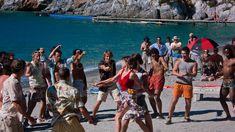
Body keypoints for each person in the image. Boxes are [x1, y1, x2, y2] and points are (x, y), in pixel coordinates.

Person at [94, 56, 149, 132]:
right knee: (137, 120)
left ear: (126, 63)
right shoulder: (122, 71)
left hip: (130, 99)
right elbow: (112, 79)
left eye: (122, 61)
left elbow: (143, 87)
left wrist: (135, 91)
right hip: (124, 98)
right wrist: (101, 83)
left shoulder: (132, 74)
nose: (121, 63)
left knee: (118, 117)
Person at [0, 60, 36, 132]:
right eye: (25, 68)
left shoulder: (16, 80)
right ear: (21, 70)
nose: (26, 69)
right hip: (9, 117)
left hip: (14, 117)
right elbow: (15, 103)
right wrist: (29, 117)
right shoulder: (13, 82)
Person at [165, 47, 198, 124]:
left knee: (188, 102)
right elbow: (173, 71)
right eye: (182, 53)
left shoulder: (193, 63)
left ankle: (186, 116)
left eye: (185, 53)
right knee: (173, 101)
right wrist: (179, 75)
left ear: (188, 54)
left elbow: (195, 73)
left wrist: (188, 74)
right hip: (178, 83)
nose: (183, 55)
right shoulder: (178, 61)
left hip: (188, 84)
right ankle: (169, 117)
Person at [46, 68, 85, 132]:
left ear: (58, 76)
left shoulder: (50, 89)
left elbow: (49, 106)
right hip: (70, 120)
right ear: (68, 76)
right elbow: (82, 109)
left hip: (56, 121)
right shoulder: (73, 90)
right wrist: (89, 119)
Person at [92, 50, 121, 119]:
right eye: (107, 56)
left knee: (119, 101)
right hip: (104, 85)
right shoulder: (101, 62)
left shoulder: (113, 62)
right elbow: (102, 67)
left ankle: (118, 115)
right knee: (99, 101)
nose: (108, 57)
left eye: (110, 56)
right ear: (104, 56)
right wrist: (105, 68)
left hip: (113, 84)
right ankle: (92, 116)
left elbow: (113, 72)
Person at [70, 49, 95, 124]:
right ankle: (79, 113)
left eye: (79, 52)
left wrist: (85, 83)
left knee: (85, 98)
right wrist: (82, 54)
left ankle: (80, 112)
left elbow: (83, 73)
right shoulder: (73, 63)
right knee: (79, 99)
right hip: (77, 82)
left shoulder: (80, 64)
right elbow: (76, 60)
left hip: (82, 81)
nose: (79, 54)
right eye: (77, 53)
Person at [131, 53, 153, 132]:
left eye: (133, 61)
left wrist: (137, 91)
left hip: (139, 97)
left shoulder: (143, 72)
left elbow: (145, 88)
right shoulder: (129, 70)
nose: (131, 63)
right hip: (130, 98)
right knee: (136, 118)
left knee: (146, 114)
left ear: (137, 61)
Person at [25, 51, 48, 122]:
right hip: (34, 87)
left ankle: (39, 117)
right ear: (33, 57)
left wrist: (45, 82)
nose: (38, 58)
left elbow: (42, 74)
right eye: (37, 56)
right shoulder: (31, 65)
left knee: (44, 102)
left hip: (42, 85)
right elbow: (26, 74)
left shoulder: (41, 64)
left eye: (39, 56)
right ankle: (26, 120)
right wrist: (31, 73)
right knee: (32, 105)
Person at [148, 48, 168, 119]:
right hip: (152, 78)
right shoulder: (152, 59)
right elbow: (152, 68)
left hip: (159, 78)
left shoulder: (160, 58)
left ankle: (160, 114)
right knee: (150, 96)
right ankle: (155, 112)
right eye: (152, 54)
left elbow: (166, 67)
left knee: (156, 96)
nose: (153, 55)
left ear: (157, 53)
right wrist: (148, 77)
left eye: (154, 54)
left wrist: (161, 73)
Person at [217, 45, 235, 120]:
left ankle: (234, 106)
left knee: (232, 97)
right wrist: (218, 73)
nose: (226, 53)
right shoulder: (225, 61)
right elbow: (224, 71)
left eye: (228, 52)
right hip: (224, 81)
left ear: (231, 52)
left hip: (231, 80)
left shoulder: (234, 60)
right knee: (222, 99)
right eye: (225, 52)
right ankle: (228, 115)